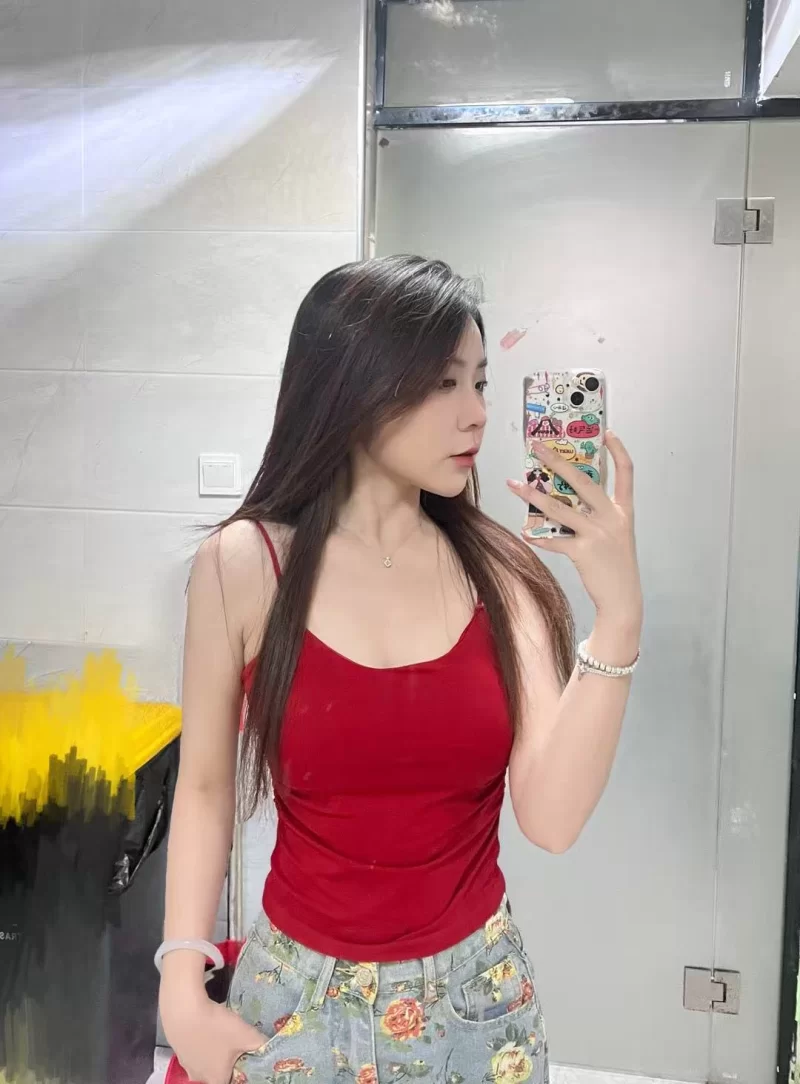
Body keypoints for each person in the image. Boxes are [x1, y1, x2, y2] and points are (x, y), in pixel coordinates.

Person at [156, 255, 642, 1084]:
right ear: (353, 384)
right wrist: (180, 985)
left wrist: (620, 617)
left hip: (477, 1007)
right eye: (443, 383)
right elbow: (203, 785)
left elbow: (552, 820)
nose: (477, 413)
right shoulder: (244, 565)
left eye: (480, 382)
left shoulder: (501, 574)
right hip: (294, 1002)